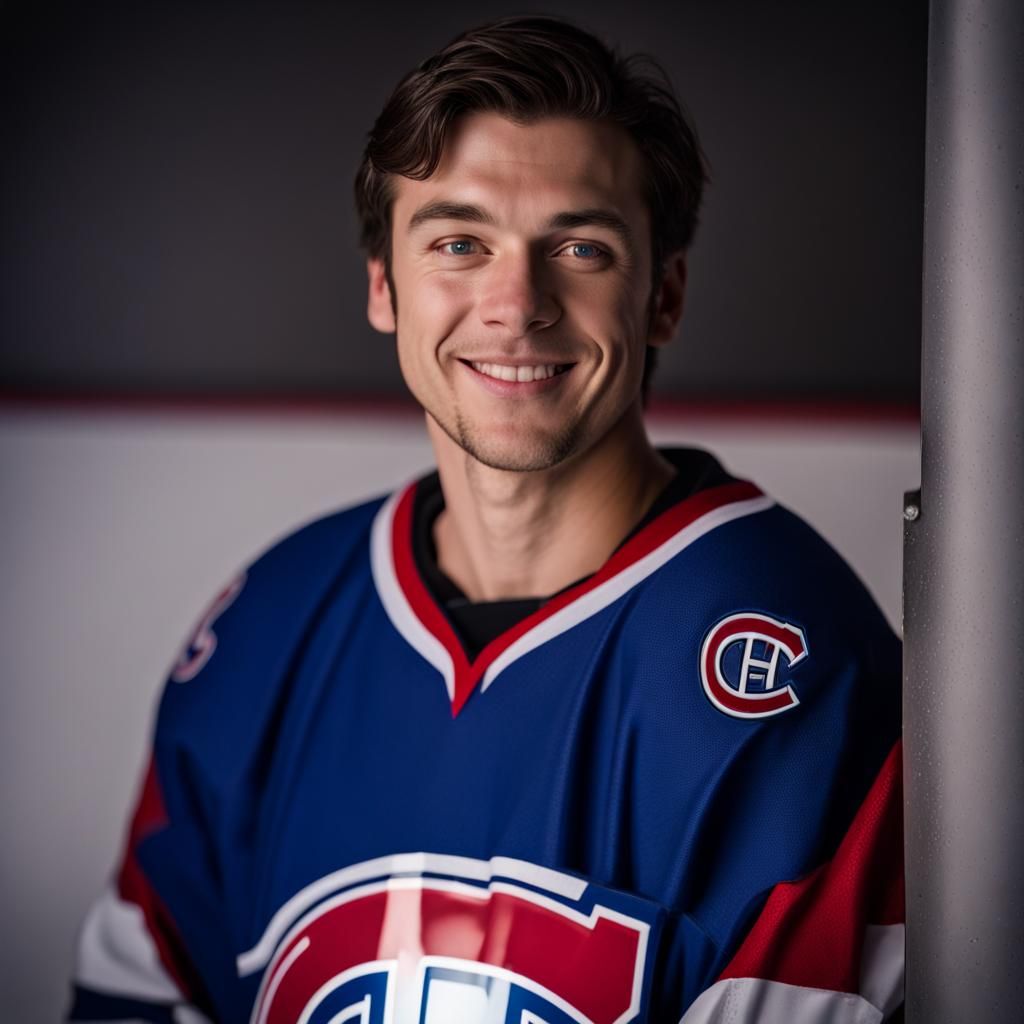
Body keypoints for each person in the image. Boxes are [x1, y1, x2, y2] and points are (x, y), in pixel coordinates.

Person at [68, 16, 904, 1023]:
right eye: (459, 242)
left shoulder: (802, 667)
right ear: (385, 286)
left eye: (580, 246)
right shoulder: (263, 632)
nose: (516, 303)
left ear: (663, 297)